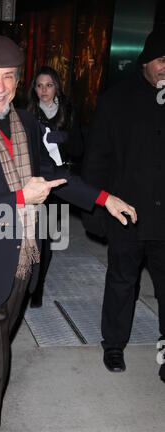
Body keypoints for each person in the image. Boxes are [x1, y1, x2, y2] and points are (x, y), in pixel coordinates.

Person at [0, 35, 137, 432]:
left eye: (8, 76)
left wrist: (103, 197)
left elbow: (55, 175)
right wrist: (22, 198)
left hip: (20, 264)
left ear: (17, 79)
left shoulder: (26, 123)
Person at [82, 28, 165, 380]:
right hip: (126, 214)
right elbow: (97, 159)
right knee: (121, 283)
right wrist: (96, 212)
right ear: (146, 61)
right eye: (162, 60)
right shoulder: (116, 101)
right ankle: (113, 345)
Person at [27, 65, 83, 307]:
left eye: (49, 85)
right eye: (39, 85)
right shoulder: (27, 112)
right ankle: (29, 283)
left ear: (57, 87)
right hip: (34, 182)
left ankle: (37, 288)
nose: (44, 91)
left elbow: (80, 148)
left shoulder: (68, 111)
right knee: (31, 236)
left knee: (46, 239)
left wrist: (64, 140)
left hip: (58, 184)